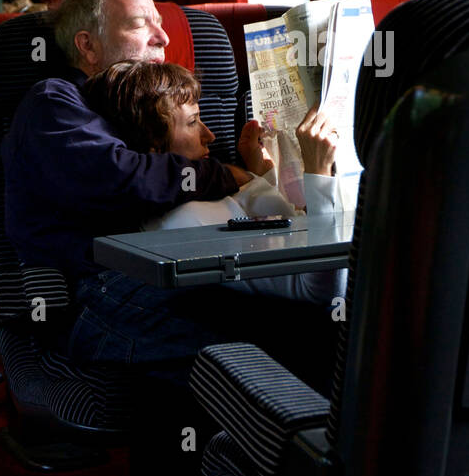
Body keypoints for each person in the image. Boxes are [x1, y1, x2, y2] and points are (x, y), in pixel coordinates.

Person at [1, 0, 337, 390]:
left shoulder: (154, 102)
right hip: (95, 290)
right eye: (141, 23)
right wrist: (228, 175)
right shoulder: (55, 101)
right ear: (87, 46)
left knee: (326, 322)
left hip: (178, 270)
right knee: (285, 343)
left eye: (161, 23)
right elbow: (121, 178)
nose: (163, 36)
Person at [81, 59, 346, 305]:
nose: (210, 135)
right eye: (193, 122)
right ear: (152, 145)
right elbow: (320, 290)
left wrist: (261, 175)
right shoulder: (179, 226)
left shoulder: (207, 190)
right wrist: (319, 171)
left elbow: (290, 225)